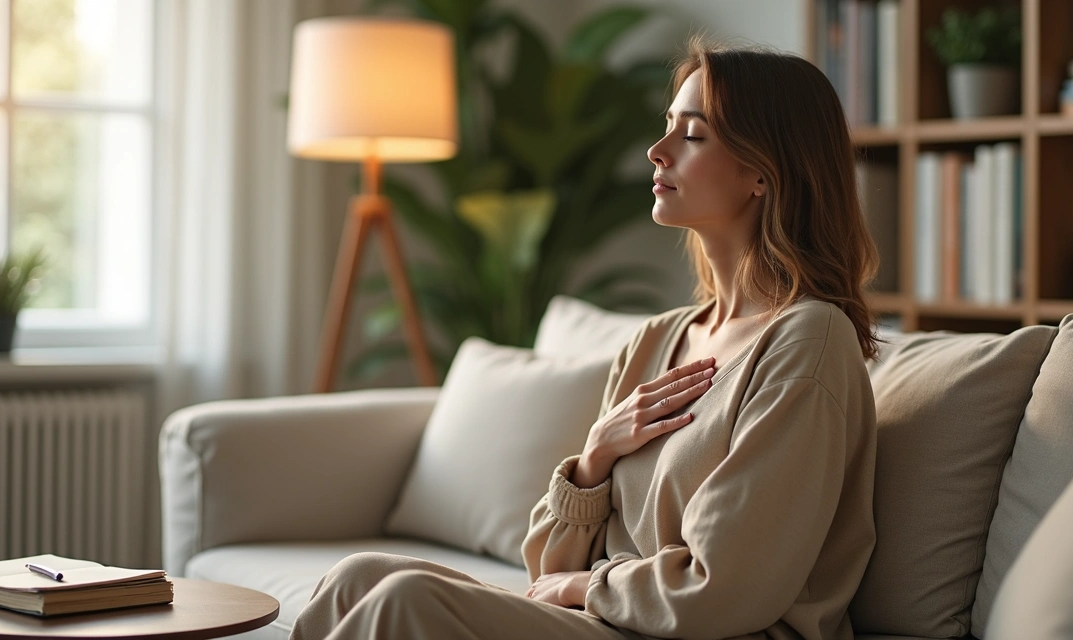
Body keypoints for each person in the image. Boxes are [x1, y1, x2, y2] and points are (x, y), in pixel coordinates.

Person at [288, 35, 881, 640]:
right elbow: (545, 564)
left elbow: (723, 588)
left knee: (407, 602)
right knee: (356, 579)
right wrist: (594, 459)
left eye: (693, 135)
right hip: (613, 620)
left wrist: (584, 587)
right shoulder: (657, 340)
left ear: (762, 171)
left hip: (701, 633)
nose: (657, 151)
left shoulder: (808, 342)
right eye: (667, 126)